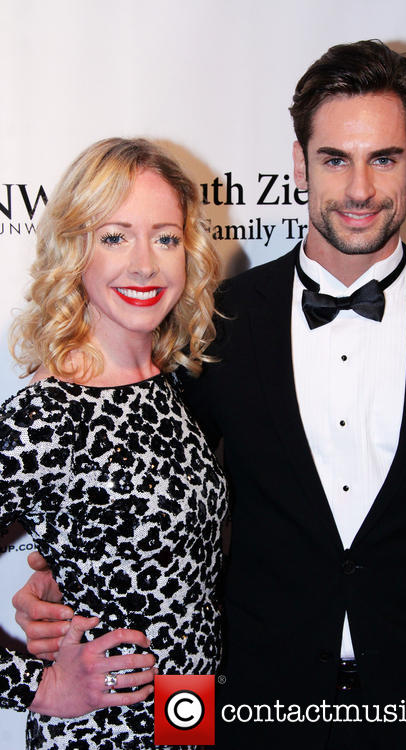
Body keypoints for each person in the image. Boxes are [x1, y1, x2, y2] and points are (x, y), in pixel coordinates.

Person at [13, 42, 406, 750]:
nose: (360, 188)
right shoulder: (213, 324)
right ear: (300, 164)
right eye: (335, 158)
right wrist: (58, 576)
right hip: (254, 703)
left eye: (383, 158)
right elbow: (138, 479)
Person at [1, 137, 226, 749]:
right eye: (115, 236)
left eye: (165, 236)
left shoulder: (173, 384)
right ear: (75, 251)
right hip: (102, 731)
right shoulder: (47, 415)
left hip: (189, 717)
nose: (145, 264)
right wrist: (34, 687)